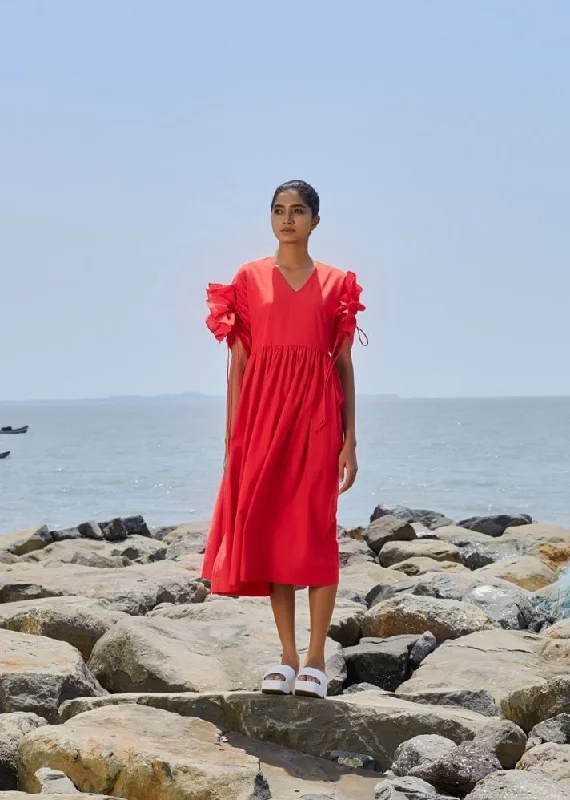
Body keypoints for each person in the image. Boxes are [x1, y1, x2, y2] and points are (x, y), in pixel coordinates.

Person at [203, 179, 366, 699]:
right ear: (271, 219)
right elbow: (239, 365)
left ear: (315, 220)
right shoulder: (248, 280)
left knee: (316, 530)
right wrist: (234, 438)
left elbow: (343, 366)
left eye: (298, 211)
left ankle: (317, 657)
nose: (287, 219)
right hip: (262, 418)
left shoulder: (337, 283)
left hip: (318, 419)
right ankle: (288, 657)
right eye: (278, 210)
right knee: (273, 530)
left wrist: (350, 440)